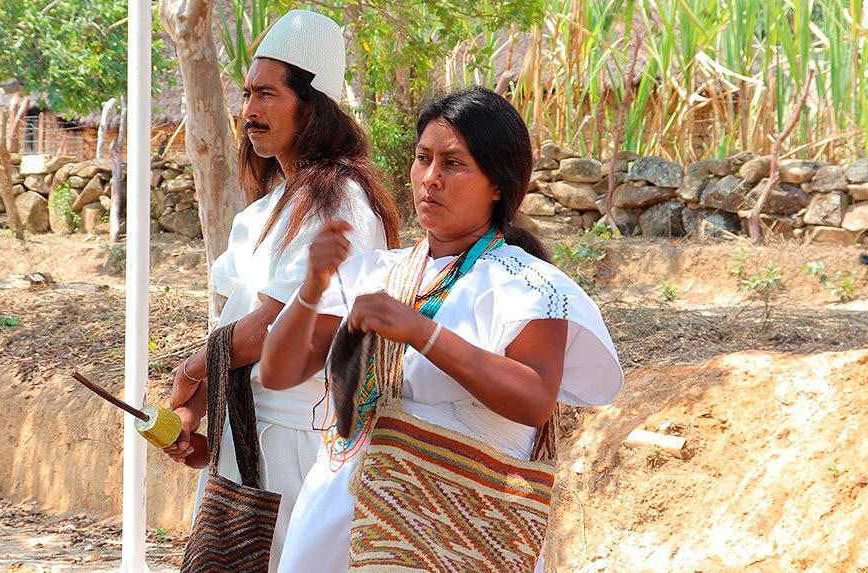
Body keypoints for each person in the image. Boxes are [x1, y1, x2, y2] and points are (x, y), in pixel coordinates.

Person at [259, 86, 623, 572]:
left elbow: (535, 399)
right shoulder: (371, 273)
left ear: (498, 183)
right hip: (337, 526)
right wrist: (311, 288)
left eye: (453, 163)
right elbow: (279, 372)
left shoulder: (529, 285)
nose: (430, 179)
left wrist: (420, 332)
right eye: (422, 158)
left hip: (457, 537)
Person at [163, 9, 399, 572]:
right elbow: (239, 327)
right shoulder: (269, 209)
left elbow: (273, 325)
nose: (249, 112)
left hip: (301, 442)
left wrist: (193, 371)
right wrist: (203, 413)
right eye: (246, 95)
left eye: (267, 94)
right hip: (248, 436)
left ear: (311, 105)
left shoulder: (339, 201)